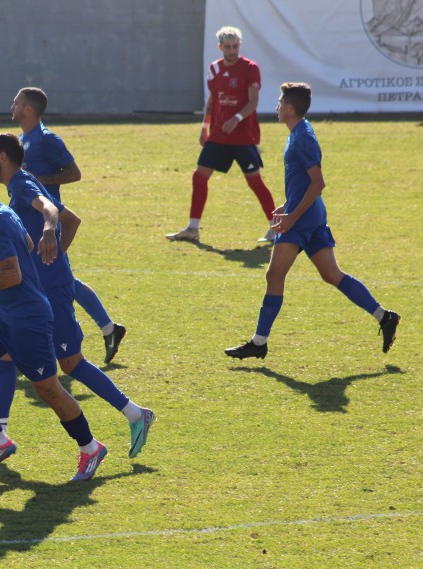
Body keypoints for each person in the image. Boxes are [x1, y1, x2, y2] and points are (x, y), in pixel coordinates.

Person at [0, 134, 156, 460]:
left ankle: (134, 415)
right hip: (27, 290)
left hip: (48, 292)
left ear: (2, 158)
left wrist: (52, 244)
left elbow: (60, 214)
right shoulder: (12, 193)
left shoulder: (22, 184)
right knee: (3, 356)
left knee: (70, 363)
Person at [0, 161, 108, 481]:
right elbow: (29, 245)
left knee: (48, 390)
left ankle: (91, 448)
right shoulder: (4, 213)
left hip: (28, 319)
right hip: (0, 313)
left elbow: (13, 274)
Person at [225, 83, 400, 359]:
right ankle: (383, 316)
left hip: (302, 220)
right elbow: (305, 181)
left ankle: (259, 342)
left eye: (280, 102)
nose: (277, 107)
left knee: (274, 275)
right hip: (312, 214)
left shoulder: (302, 138)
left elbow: (318, 182)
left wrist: (292, 216)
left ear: (290, 108)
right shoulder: (299, 131)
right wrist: (288, 203)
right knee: (332, 274)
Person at [12, 87, 127, 364]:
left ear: (28, 109)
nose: (11, 106)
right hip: (29, 222)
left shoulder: (47, 140)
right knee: (53, 279)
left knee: (41, 279)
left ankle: (18, 344)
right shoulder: (21, 139)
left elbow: (74, 173)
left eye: (16, 102)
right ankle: (109, 329)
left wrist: (38, 180)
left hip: (48, 222)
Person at [166, 26, 276, 244]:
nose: (232, 50)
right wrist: (204, 127)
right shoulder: (214, 69)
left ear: (239, 45)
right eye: (227, 47)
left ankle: (277, 228)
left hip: (243, 135)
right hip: (218, 135)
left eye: (235, 46)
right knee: (199, 176)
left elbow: (253, 101)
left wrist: (236, 118)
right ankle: (192, 228)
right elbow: (212, 101)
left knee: (255, 181)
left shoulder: (250, 68)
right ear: (220, 47)